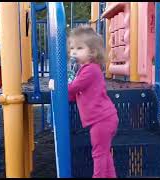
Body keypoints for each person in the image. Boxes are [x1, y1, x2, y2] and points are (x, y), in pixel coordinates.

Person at [67, 25, 119, 178]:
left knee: (99, 155)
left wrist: (57, 87)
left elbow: (73, 88)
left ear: (92, 52)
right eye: (72, 48)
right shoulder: (84, 69)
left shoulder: (90, 70)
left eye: (79, 48)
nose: (74, 52)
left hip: (102, 120)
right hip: (104, 119)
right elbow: (76, 93)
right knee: (105, 154)